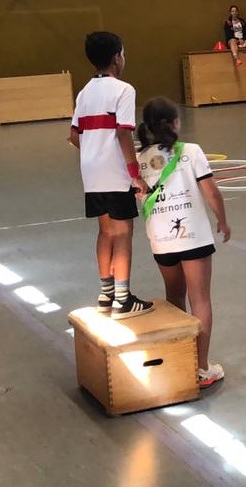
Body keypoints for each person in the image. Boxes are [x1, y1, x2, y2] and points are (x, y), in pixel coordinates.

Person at [136, 96, 232, 388]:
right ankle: (201, 368)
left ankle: (178, 363)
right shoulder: (191, 151)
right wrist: (223, 220)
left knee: (174, 300)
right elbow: (211, 192)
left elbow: (138, 196)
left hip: (161, 241)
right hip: (193, 239)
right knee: (200, 300)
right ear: (176, 123)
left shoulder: (139, 159)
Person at [68, 31, 152, 319]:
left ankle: (106, 295)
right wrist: (135, 174)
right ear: (117, 57)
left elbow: (74, 135)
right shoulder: (124, 90)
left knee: (105, 231)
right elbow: (123, 132)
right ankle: (123, 299)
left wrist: (95, 150)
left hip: (91, 173)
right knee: (123, 232)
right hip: (115, 173)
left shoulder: (84, 92)